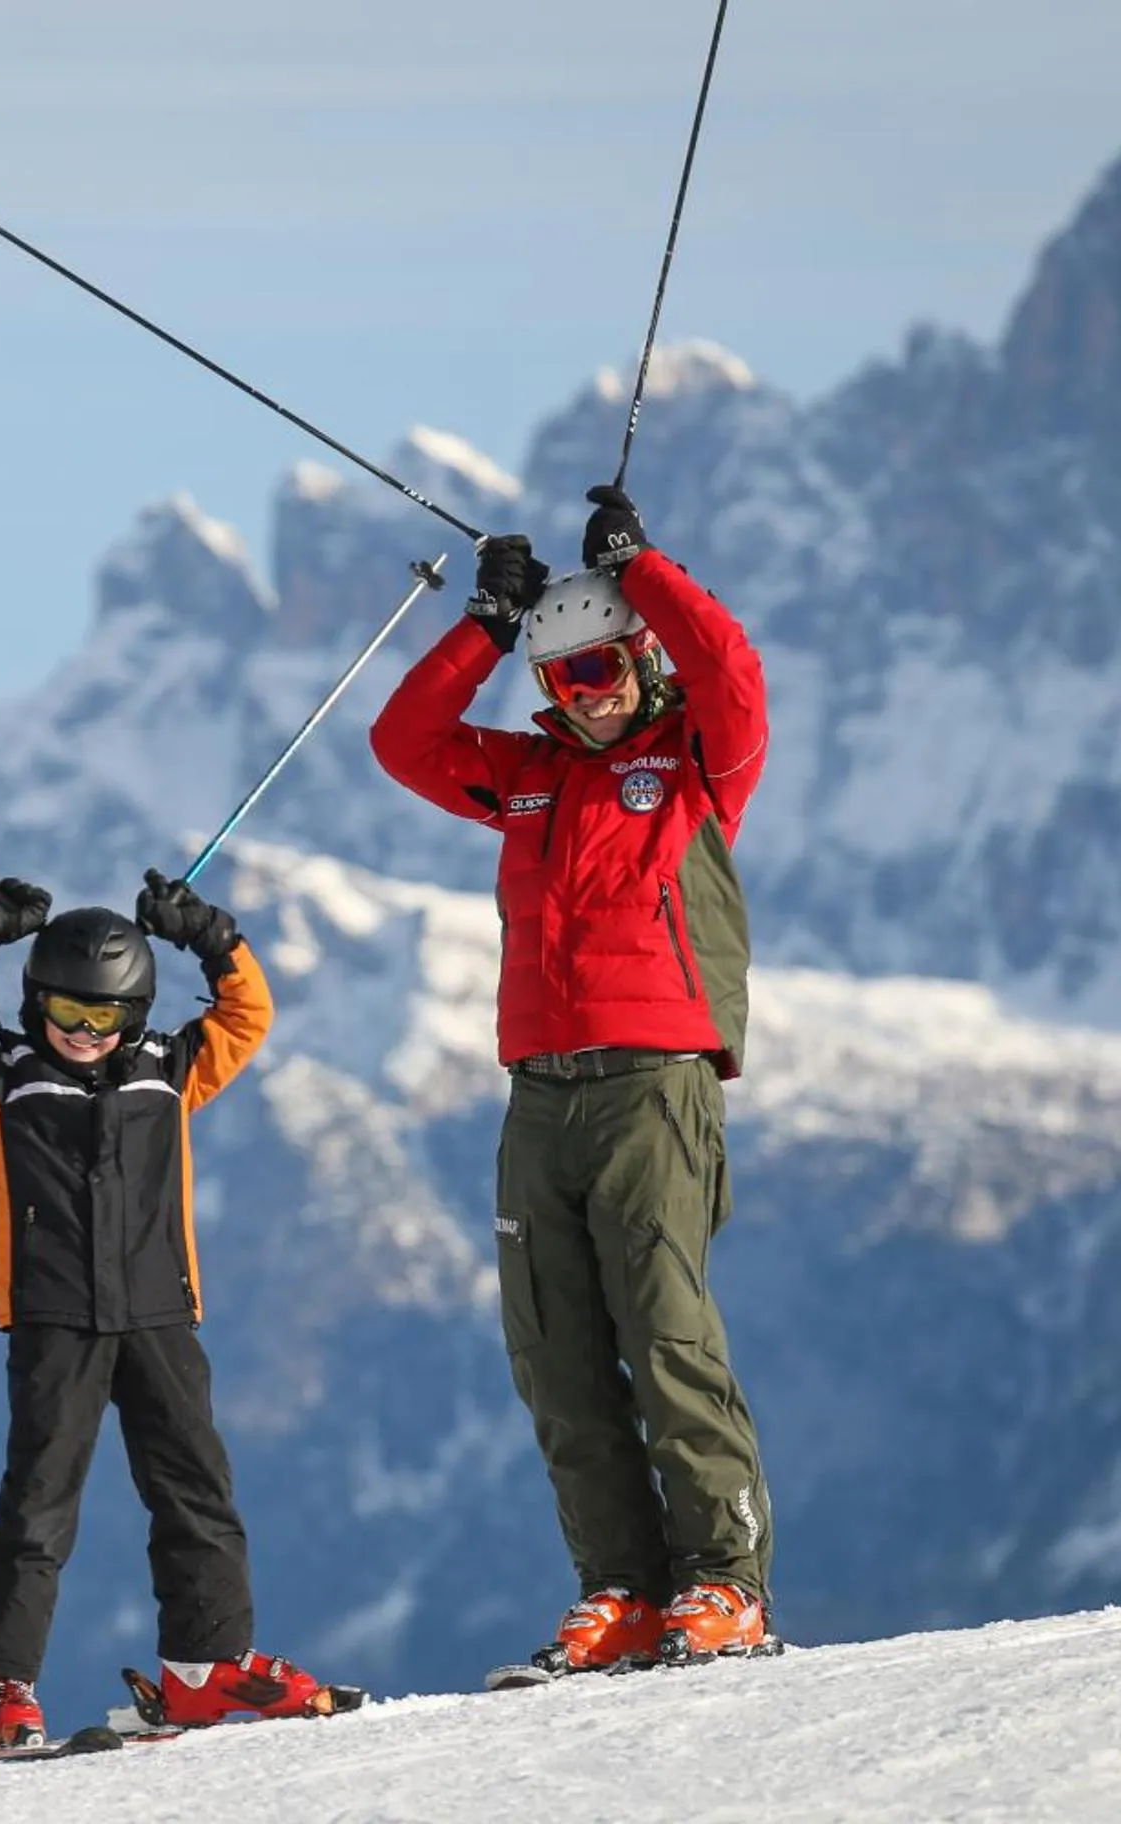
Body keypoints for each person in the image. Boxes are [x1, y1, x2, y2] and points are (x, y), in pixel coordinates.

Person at [366, 484, 778, 1675]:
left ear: (639, 661)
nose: (582, 698)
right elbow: (405, 745)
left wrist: (643, 569)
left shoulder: (698, 760)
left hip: (655, 1082)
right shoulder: (527, 778)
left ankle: (724, 1585)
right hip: (539, 1089)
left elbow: (735, 670)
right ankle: (624, 1592)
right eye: (560, 682)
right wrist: (489, 627)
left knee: (667, 1333)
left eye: (598, 671)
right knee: (554, 1349)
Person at [0, 868, 361, 1751]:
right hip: (55, 1317)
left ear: (136, 1015)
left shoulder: (171, 1073)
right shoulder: (4, 1075)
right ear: (35, 1001)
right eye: (65, 1012)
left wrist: (212, 937)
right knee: (38, 1506)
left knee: (196, 1489)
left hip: (158, 1314)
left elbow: (247, 1016)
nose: (81, 1033)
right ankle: (2, 1696)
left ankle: (205, 1667)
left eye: (102, 1018)